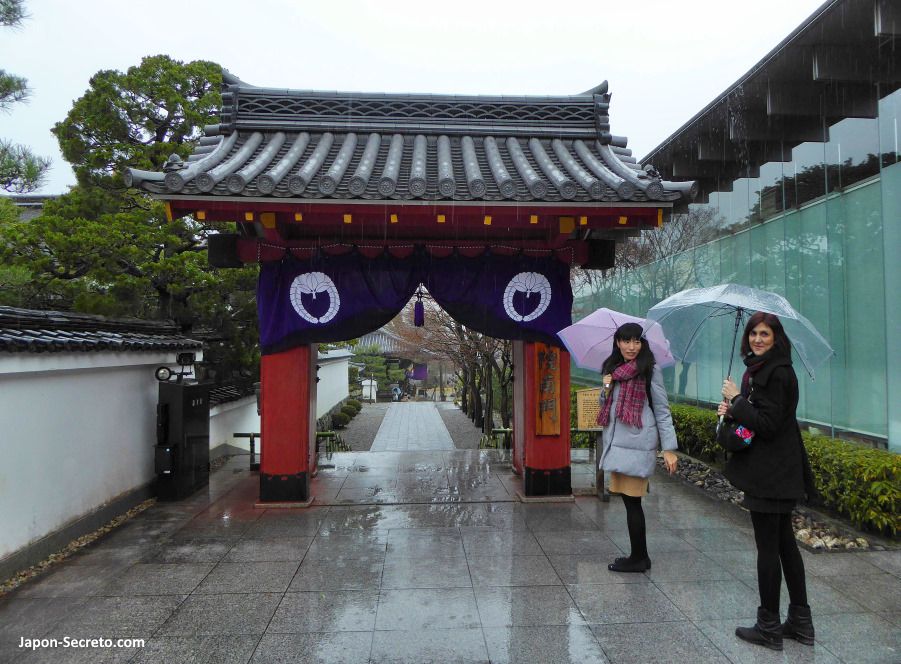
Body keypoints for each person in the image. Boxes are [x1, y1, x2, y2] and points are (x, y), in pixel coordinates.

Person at [718, 312, 814, 651]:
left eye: (765, 334)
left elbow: (769, 425)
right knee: (785, 545)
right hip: (774, 471)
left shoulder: (777, 373)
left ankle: (768, 625)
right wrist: (732, 410)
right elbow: (756, 420)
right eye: (754, 333)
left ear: (776, 338)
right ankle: (801, 623)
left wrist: (738, 401)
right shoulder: (761, 370)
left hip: (772, 474)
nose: (758, 339)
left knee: (769, 550)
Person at [597, 322, 679, 572]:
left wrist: (669, 448)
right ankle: (638, 555)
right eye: (626, 341)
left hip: (637, 443)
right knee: (629, 501)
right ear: (617, 343)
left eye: (636, 341)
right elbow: (606, 405)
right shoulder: (614, 369)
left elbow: (662, 410)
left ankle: (639, 558)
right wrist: (606, 387)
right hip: (617, 443)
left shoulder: (649, 370)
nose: (632, 347)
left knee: (633, 502)